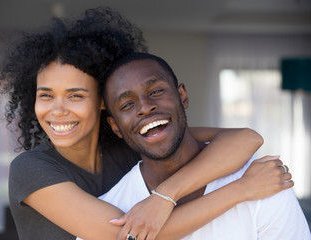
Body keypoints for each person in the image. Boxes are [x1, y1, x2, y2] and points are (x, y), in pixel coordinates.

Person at [0, 7, 292, 240]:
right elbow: (128, 236)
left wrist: (166, 194)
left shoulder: (126, 145)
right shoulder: (30, 169)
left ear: (103, 104)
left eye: (75, 96)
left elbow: (245, 139)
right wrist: (242, 190)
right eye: (46, 96)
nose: (58, 110)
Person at [97, 51, 310, 240]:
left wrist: (164, 197)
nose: (145, 107)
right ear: (115, 126)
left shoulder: (264, 183)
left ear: (182, 95)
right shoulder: (112, 210)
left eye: (155, 92)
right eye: (127, 104)